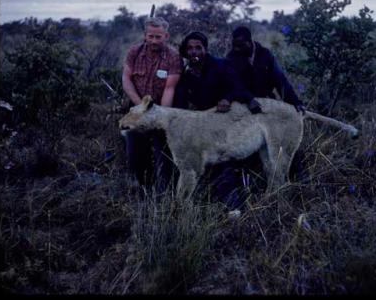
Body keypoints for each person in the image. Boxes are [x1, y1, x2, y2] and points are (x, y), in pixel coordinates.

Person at [174, 31, 253, 213]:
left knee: (222, 161)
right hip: (203, 123)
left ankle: (234, 206)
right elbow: (180, 103)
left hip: (227, 120)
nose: (194, 52)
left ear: (205, 49)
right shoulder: (186, 75)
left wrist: (227, 98)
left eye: (198, 48)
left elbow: (240, 89)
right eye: (190, 49)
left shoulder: (221, 65)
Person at [226, 26, 307, 182]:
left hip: (268, 104)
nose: (236, 48)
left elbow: (280, 80)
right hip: (244, 106)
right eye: (234, 45)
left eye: (240, 45)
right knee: (245, 145)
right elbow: (234, 84)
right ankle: (248, 180)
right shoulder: (231, 58)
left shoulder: (265, 55)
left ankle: (299, 178)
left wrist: (295, 102)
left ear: (250, 42)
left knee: (285, 142)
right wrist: (248, 99)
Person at [122, 17, 181, 192]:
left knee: (163, 153)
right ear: (145, 35)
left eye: (158, 37)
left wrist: (159, 116)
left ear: (166, 36)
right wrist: (141, 107)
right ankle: (141, 189)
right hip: (138, 111)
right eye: (151, 36)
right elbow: (126, 79)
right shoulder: (134, 52)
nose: (154, 41)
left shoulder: (173, 56)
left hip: (161, 113)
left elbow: (170, 88)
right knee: (135, 153)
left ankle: (165, 194)